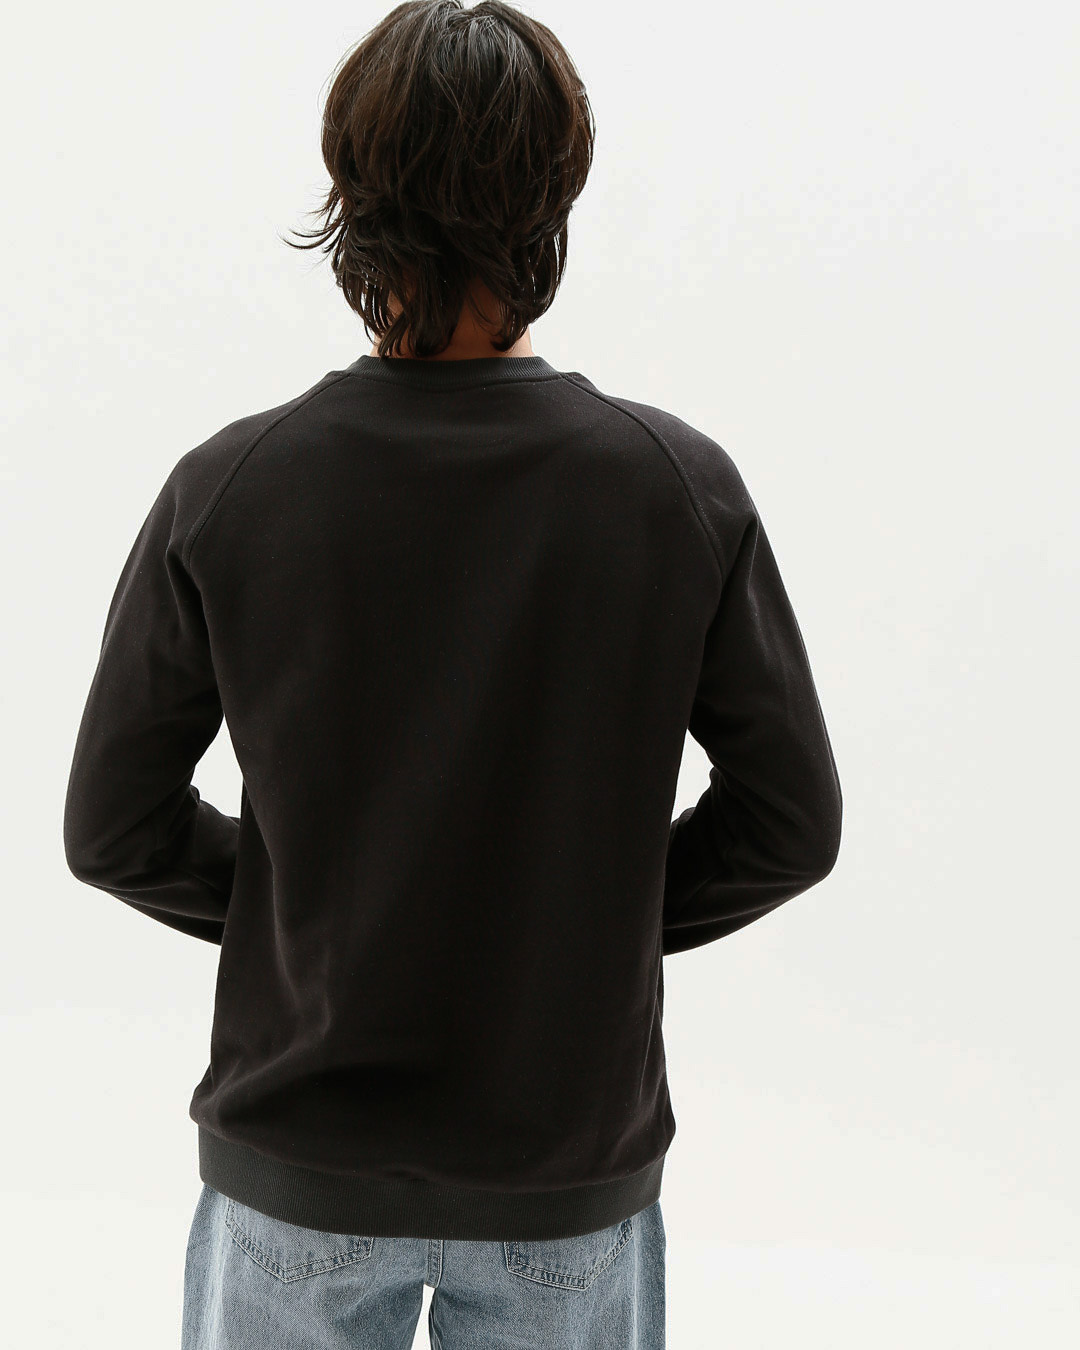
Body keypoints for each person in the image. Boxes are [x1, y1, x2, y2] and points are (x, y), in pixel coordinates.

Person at [61, 2, 843, 1346]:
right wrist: (574, 927)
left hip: (296, 1168)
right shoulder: (674, 489)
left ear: (351, 201)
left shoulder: (231, 488)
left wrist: (318, 923)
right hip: (564, 1173)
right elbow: (790, 824)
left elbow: (112, 829)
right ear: (556, 197)